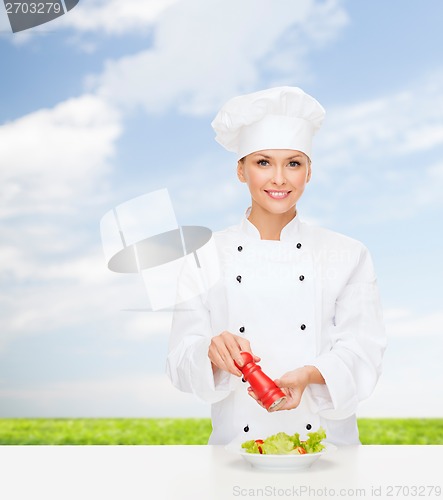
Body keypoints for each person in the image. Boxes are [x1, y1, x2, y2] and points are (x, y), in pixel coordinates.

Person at [166, 86, 387, 446]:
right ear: (241, 170)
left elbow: (364, 351)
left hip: (327, 450)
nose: (279, 179)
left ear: (309, 172)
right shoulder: (204, 256)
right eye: (263, 162)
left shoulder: (348, 253)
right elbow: (178, 363)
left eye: (293, 164)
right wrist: (209, 353)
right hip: (236, 449)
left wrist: (309, 374)